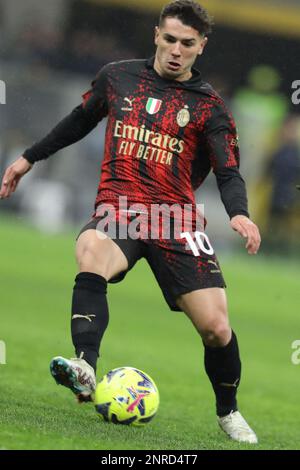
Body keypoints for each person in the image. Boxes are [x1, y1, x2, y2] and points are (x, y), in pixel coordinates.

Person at [0, 0, 261, 444]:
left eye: (187, 44)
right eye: (170, 39)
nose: (176, 50)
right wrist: (29, 158)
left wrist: (239, 213)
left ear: (201, 46)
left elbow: (228, 170)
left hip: (174, 219)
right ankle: (85, 365)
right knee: (91, 251)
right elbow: (78, 121)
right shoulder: (117, 77)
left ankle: (228, 411)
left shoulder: (209, 106)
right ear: (157, 35)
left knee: (217, 329)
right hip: (120, 210)